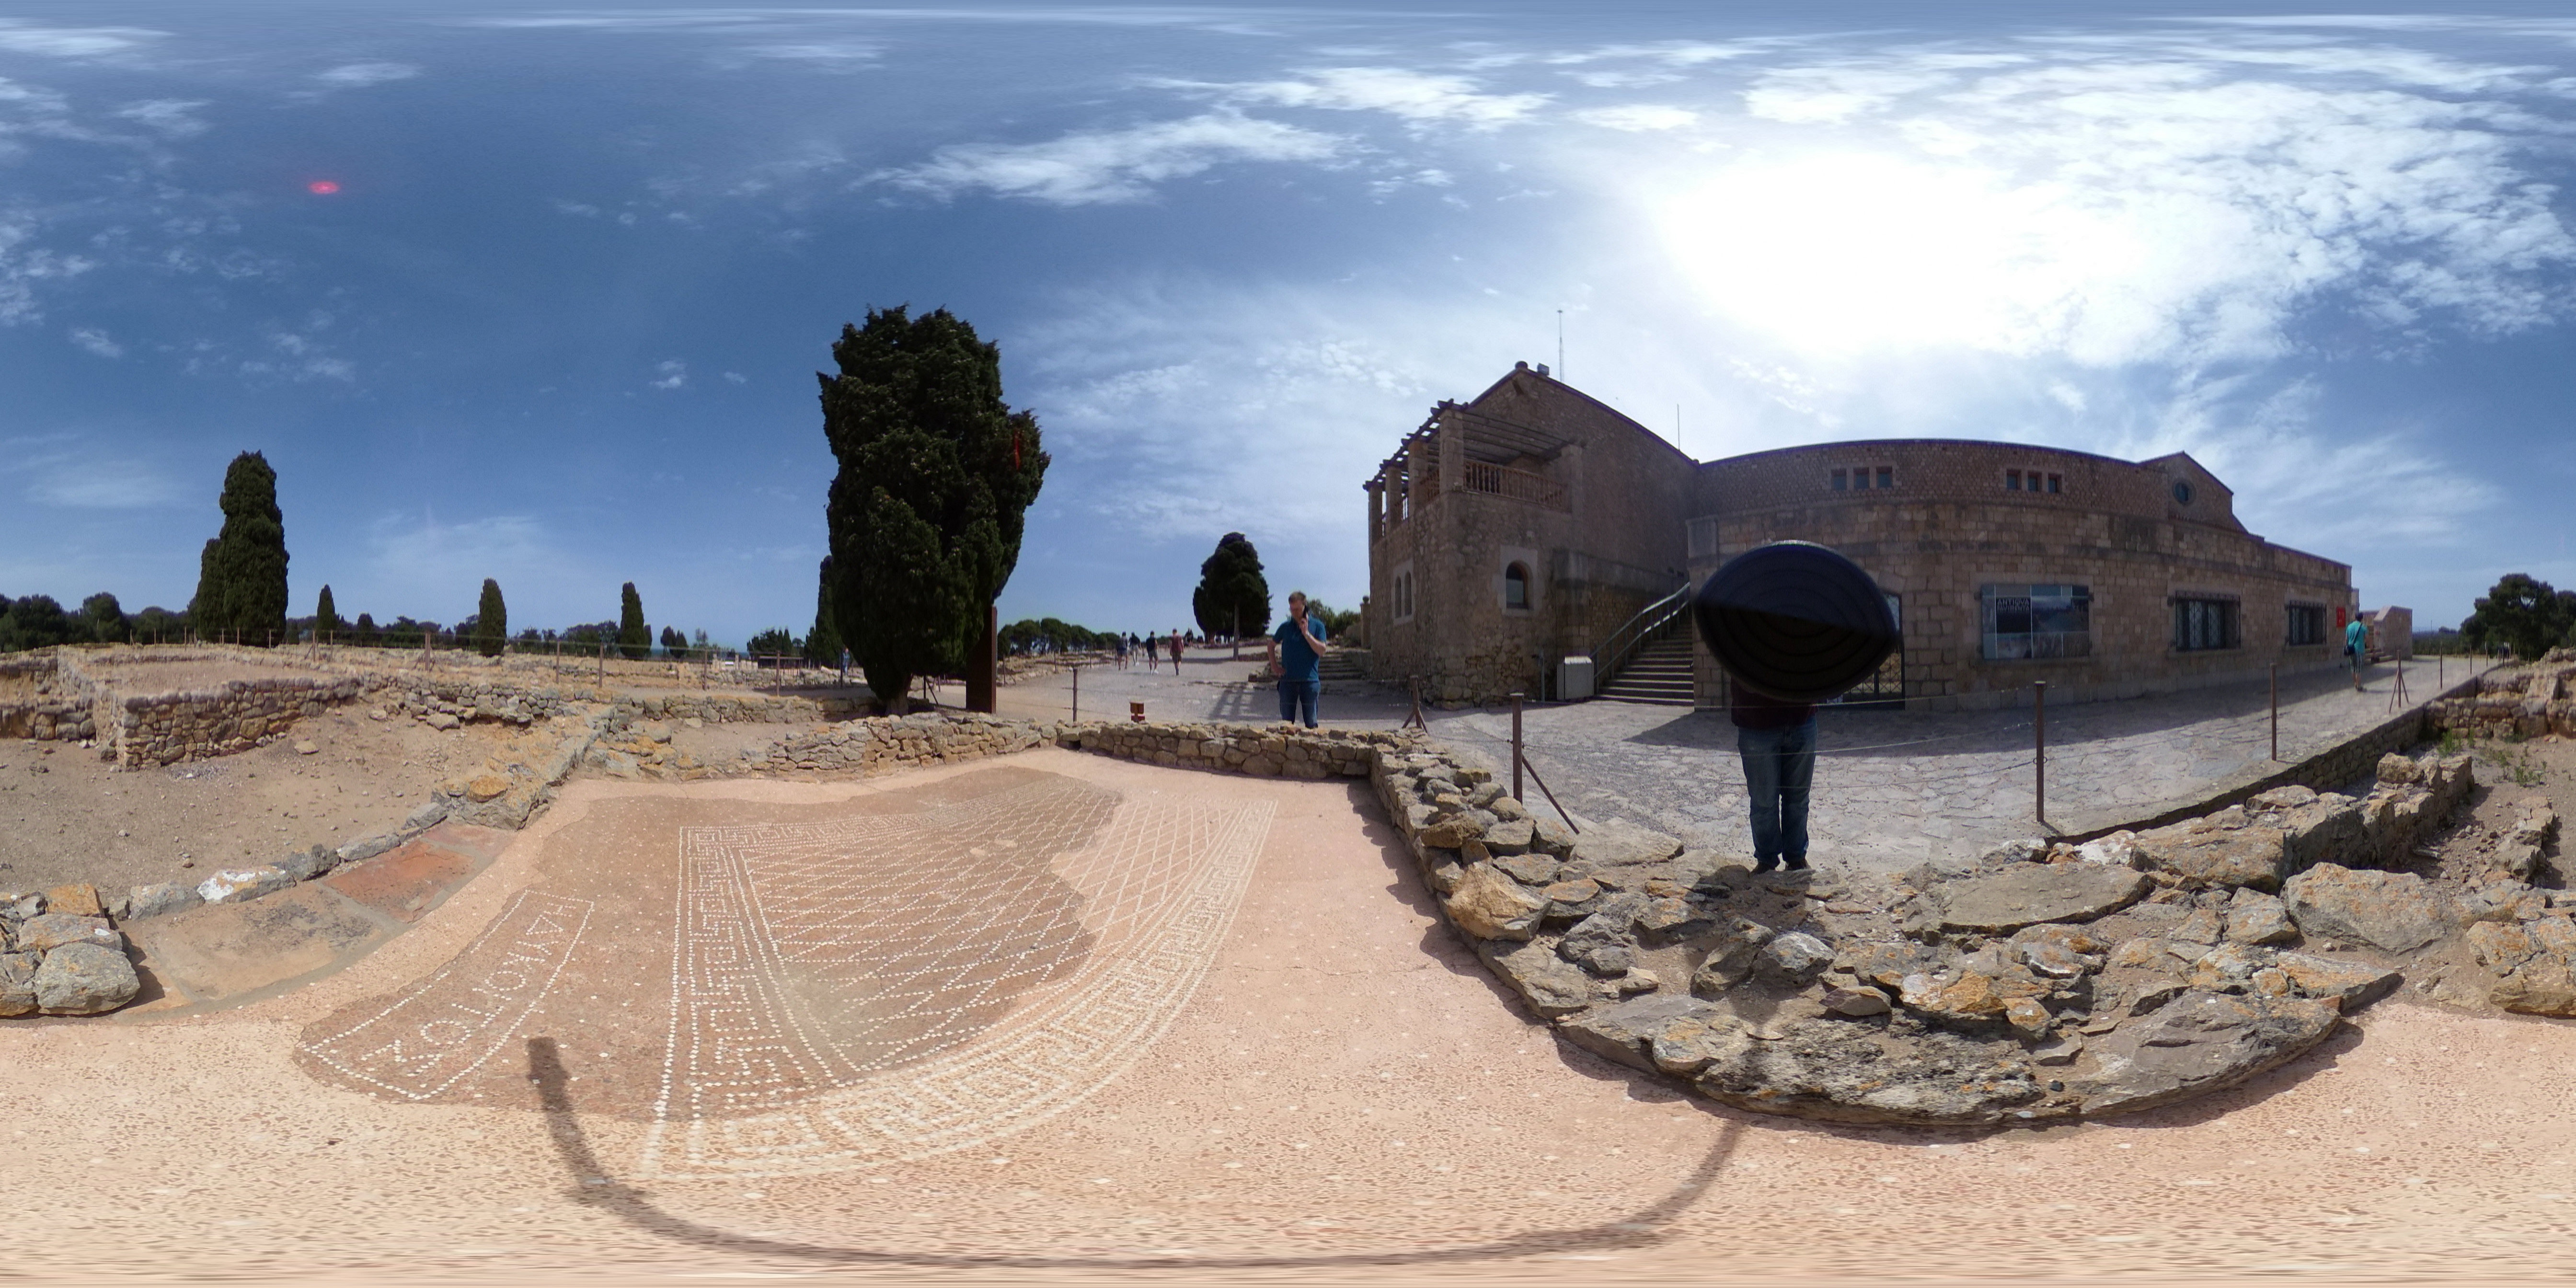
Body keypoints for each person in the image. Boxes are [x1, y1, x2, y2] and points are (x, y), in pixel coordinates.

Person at [1731, 681, 1816, 873]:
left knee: (1798, 798)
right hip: (1757, 721)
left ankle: (1796, 859)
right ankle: (1767, 862)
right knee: (1763, 802)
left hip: (1802, 716)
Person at [1268, 591, 1330, 728]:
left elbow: (1322, 650)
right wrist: (1275, 667)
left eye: (1297, 609)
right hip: (1288, 681)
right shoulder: (1286, 627)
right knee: (1286, 725)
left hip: (1310, 681)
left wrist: (1307, 634)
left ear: (1305, 606)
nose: (1294, 613)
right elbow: (1271, 645)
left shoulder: (1318, 626)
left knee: (1312, 724)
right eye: (1292, 609)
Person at [2345, 614, 2369, 690]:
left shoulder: (2349, 627)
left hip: (2351, 650)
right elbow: (2367, 639)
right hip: (2359, 650)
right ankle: (2359, 686)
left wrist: (2347, 648)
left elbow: (2346, 639)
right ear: (2362, 619)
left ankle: (2355, 684)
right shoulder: (2364, 627)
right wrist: (2369, 646)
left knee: (2353, 668)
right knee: (2358, 670)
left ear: (2355, 618)